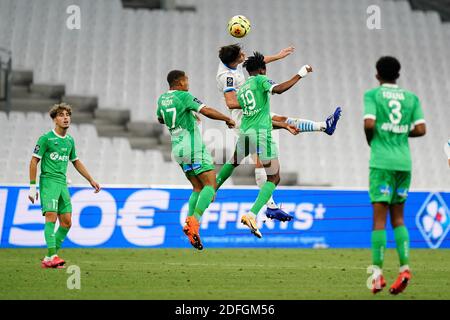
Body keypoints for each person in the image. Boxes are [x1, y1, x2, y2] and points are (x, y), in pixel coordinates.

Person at [216, 44, 341, 221]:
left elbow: (254, 64)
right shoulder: (228, 76)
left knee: (280, 123)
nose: (244, 55)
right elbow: (231, 102)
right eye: (240, 54)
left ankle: (323, 126)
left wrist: (278, 56)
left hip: (247, 124)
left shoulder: (241, 77)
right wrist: (300, 74)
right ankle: (259, 211)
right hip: (246, 121)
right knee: (269, 173)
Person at [364, 56, 426, 294]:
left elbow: (370, 124)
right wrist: (399, 133)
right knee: (398, 218)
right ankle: (405, 269)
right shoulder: (412, 98)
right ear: (398, 74)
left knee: (379, 220)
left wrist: (376, 139)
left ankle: (377, 275)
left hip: (382, 162)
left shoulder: (373, 95)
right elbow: (421, 129)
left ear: (377, 74)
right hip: (404, 163)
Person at [157, 70, 235, 250]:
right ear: (179, 82)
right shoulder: (184, 96)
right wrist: (226, 119)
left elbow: (161, 118)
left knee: (197, 187)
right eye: (186, 79)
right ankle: (194, 221)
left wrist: (187, 116)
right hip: (192, 146)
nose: (188, 82)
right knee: (210, 186)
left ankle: (189, 224)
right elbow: (206, 110)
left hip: (177, 148)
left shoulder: (162, 99)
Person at [29, 103, 101, 268]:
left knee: (67, 222)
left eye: (67, 114)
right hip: (48, 182)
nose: (65, 117)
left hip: (62, 183)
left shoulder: (69, 140)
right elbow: (34, 161)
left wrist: (91, 180)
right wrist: (32, 187)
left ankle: (48, 258)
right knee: (51, 218)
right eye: (61, 115)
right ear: (54, 119)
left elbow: (75, 161)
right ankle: (53, 255)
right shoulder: (46, 138)